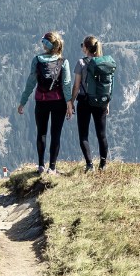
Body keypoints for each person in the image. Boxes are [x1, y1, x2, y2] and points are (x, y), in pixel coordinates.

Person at [17, 31, 73, 173]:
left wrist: (23, 101)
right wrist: (69, 103)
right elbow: (66, 84)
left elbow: (31, 82)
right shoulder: (63, 61)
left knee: (41, 133)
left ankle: (41, 165)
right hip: (59, 102)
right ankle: (52, 167)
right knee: (56, 134)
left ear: (46, 45)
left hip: (41, 101)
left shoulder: (37, 60)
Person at [71, 35, 116, 172]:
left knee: (83, 135)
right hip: (101, 102)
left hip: (84, 101)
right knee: (102, 135)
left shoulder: (81, 63)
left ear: (86, 48)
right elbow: (107, 85)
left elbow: (76, 86)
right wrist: (107, 102)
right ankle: (103, 165)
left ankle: (89, 165)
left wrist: (71, 102)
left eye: (82, 46)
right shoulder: (105, 63)